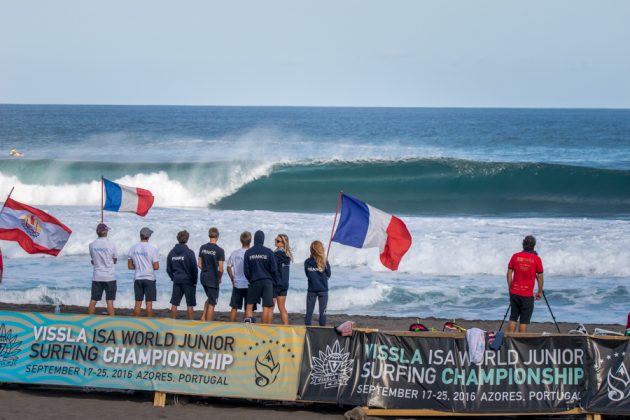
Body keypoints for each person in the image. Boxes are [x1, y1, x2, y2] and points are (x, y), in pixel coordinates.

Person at [506, 235, 544, 333]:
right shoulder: (536, 259)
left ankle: (510, 340)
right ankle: (520, 342)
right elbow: (540, 277)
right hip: (527, 295)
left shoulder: (515, 256)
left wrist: (510, 287)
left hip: (515, 292)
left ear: (523, 244)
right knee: (524, 320)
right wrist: (539, 291)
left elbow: (509, 273)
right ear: (533, 246)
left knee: (513, 317)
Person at [244, 230, 277, 324]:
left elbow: (246, 271)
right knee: (266, 306)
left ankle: (248, 328)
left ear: (254, 239)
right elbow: (274, 269)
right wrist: (272, 281)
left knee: (249, 305)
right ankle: (264, 329)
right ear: (263, 239)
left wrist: (251, 279)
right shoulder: (269, 252)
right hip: (267, 282)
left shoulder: (248, 252)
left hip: (254, 281)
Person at [128, 227, 160, 317]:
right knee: (149, 305)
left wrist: (139, 266)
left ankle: (136, 324)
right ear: (149, 236)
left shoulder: (133, 248)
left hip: (138, 278)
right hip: (149, 278)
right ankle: (148, 325)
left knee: (137, 303)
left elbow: (130, 266)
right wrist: (148, 266)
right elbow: (156, 266)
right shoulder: (152, 249)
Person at [166, 230, 198, 320]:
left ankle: (173, 321)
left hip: (177, 280)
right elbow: (194, 269)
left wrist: (173, 278)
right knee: (190, 304)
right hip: (188, 281)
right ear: (187, 239)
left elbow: (168, 269)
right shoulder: (189, 252)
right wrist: (195, 281)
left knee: (174, 303)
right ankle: (190, 323)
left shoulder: (171, 253)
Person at [88, 223, 117, 316]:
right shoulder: (111, 244)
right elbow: (115, 260)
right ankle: (112, 322)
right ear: (106, 232)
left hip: (97, 276)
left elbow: (93, 260)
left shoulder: (91, 245)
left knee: (93, 300)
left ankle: (89, 321)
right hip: (109, 276)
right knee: (110, 301)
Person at [198, 227, 225, 321]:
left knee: (210, 297)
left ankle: (203, 317)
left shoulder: (203, 247)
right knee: (212, 302)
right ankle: (208, 324)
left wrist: (206, 269)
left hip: (203, 277)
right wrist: (219, 278)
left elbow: (199, 264)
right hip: (212, 279)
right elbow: (221, 269)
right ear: (217, 236)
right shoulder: (220, 250)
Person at [304, 240, 331, 326]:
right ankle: (322, 331)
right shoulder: (325, 262)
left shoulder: (307, 262)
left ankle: (308, 330)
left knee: (309, 313)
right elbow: (328, 275)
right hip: (323, 290)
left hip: (312, 289)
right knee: (323, 314)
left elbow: (307, 274)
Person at [227, 231, 252, 322]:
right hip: (249, 284)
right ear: (250, 241)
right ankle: (245, 328)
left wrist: (232, 278)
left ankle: (231, 325)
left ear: (241, 241)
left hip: (237, 283)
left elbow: (229, 267)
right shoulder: (251, 253)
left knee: (234, 307)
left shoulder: (235, 253)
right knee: (248, 308)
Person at [273, 234, 293, 325]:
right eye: (276, 240)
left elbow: (273, 269)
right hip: (285, 283)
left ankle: (266, 328)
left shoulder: (277, 254)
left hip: (276, 283)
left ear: (283, 243)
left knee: (270, 307)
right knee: (282, 307)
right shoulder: (287, 255)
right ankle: (286, 327)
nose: (276, 242)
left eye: (278, 241)